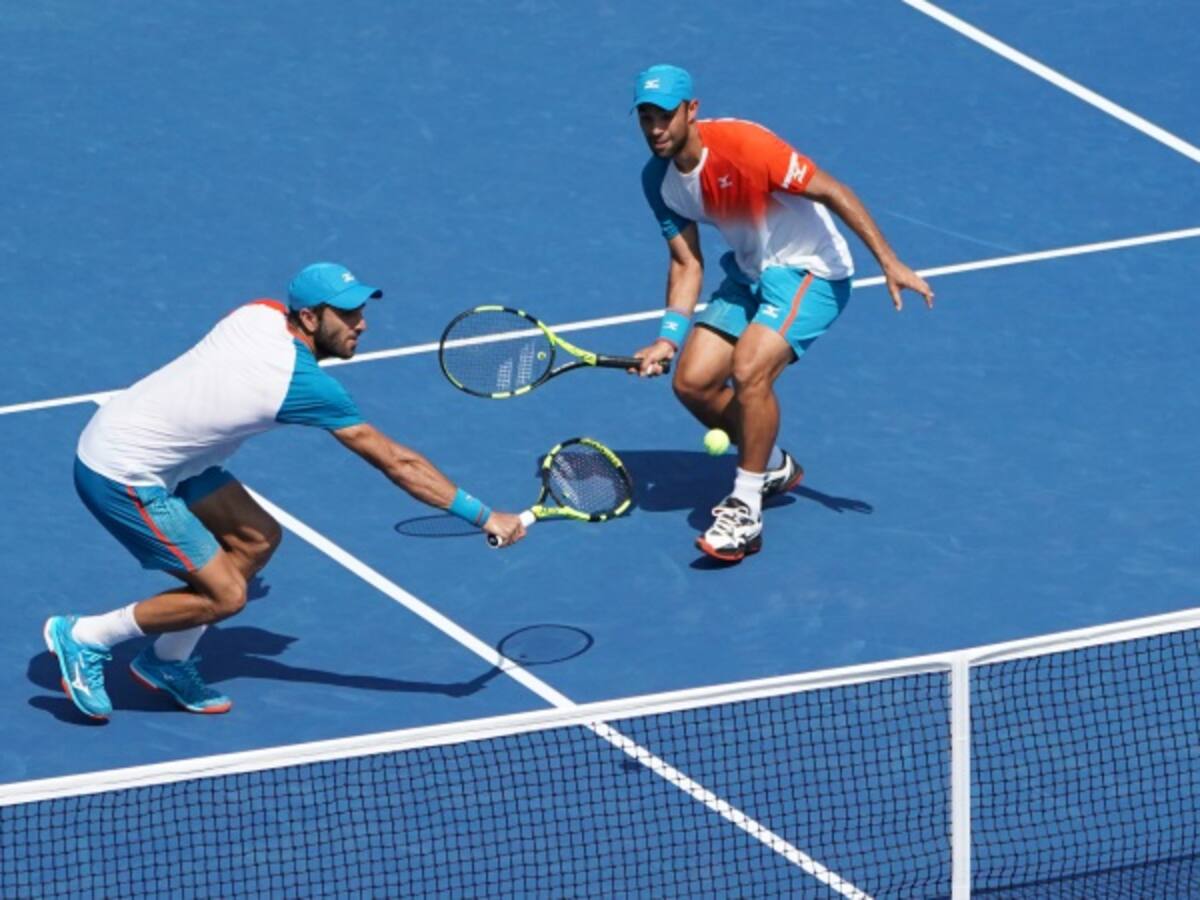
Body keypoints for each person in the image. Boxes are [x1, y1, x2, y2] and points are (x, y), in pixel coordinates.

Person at [45, 262, 525, 721]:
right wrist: (484, 516)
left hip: (162, 448)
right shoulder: (303, 384)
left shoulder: (258, 312)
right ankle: (85, 636)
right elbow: (398, 463)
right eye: (348, 315)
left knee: (256, 540)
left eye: (361, 311)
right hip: (123, 471)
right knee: (229, 597)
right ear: (310, 318)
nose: (362, 325)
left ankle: (165, 660)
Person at [629, 64, 934, 562]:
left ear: (692, 111)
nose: (657, 129)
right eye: (646, 117)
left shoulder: (747, 146)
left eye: (665, 116)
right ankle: (769, 464)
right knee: (693, 383)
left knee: (749, 370)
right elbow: (686, 261)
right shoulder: (657, 181)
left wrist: (889, 260)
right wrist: (667, 337)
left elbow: (832, 190)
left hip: (810, 271)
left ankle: (745, 509)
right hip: (749, 274)